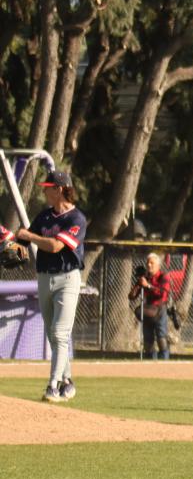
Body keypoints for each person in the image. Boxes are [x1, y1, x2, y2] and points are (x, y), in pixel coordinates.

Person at [3, 171, 86, 401]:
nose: (44, 191)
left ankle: (53, 385)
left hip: (68, 279)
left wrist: (29, 235)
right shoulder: (44, 217)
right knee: (52, 334)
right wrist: (9, 239)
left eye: (47, 187)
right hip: (44, 278)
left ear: (59, 189)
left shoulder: (76, 219)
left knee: (60, 333)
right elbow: (21, 241)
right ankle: (67, 380)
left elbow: (55, 246)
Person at [128, 251, 172, 359]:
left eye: (152, 263)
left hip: (160, 309)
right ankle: (150, 361)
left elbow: (163, 293)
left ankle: (164, 360)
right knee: (148, 340)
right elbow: (132, 296)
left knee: (161, 338)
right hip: (148, 309)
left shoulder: (163, 276)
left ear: (157, 265)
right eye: (148, 263)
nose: (149, 265)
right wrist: (139, 283)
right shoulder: (145, 278)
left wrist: (148, 286)